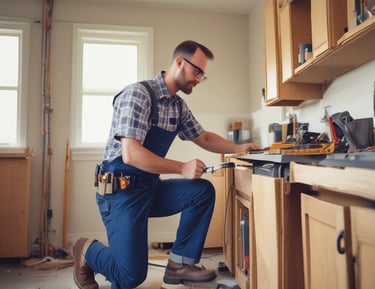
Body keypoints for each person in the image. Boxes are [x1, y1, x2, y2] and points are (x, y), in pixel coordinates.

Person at [70, 40, 260, 289]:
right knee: (130, 277)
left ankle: (179, 265)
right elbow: (131, 155)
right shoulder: (138, 94)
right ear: (179, 62)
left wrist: (237, 148)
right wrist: (182, 167)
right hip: (120, 192)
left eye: (203, 75)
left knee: (201, 191)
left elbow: (202, 137)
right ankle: (86, 250)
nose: (199, 80)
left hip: (149, 188)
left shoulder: (177, 106)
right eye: (197, 72)